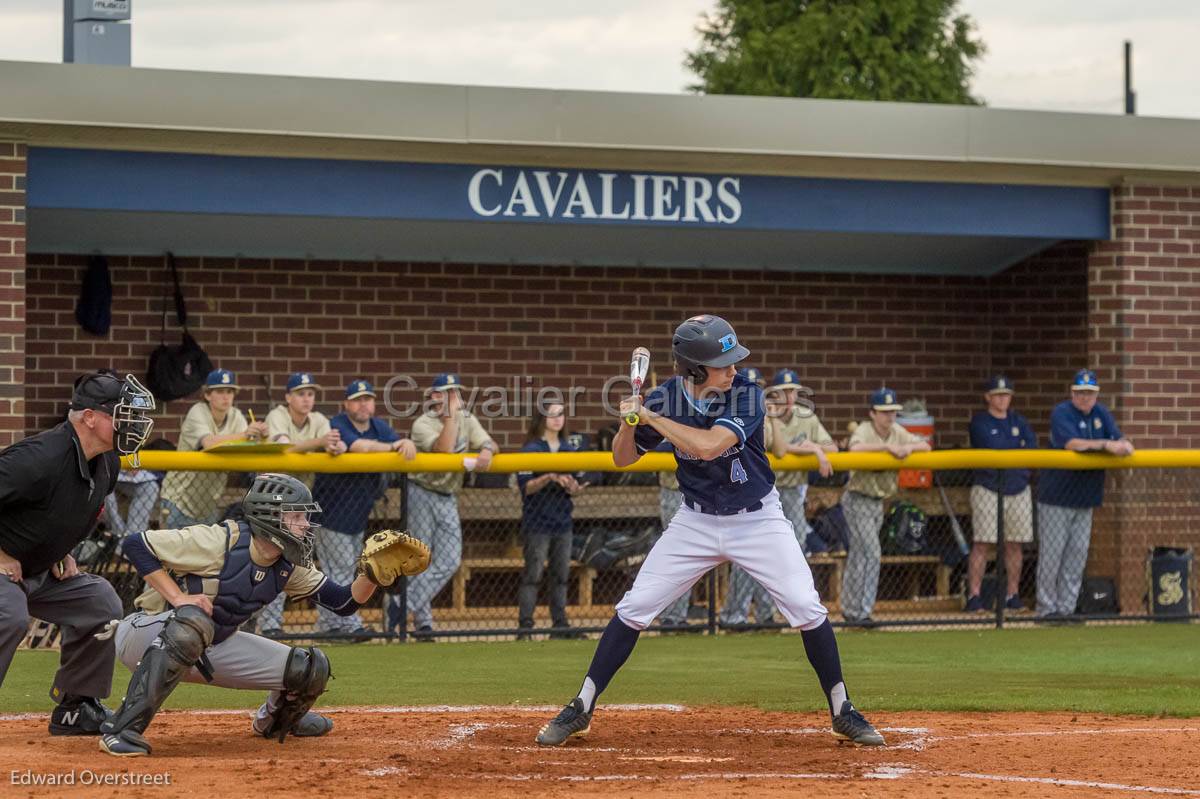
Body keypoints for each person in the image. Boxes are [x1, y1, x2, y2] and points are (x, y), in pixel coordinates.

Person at [535, 314, 884, 748]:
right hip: (695, 522)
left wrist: (652, 417)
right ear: (695, 369)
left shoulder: (747, 395)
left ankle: (842, 709)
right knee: (636, 606)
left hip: (758, 519)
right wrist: (631, 421)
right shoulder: (662, 398)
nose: (734, 369)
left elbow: (708, 445)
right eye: (724, 363)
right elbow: (622, 459)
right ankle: (582, 706)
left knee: (805, 606)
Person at [98, 473, 421, 757]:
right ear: (270, 516)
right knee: (191, 625)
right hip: (145, 634)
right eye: (297, 516)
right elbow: (135, 544)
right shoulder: (219, 540)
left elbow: (343, 603)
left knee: (310, 668)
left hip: (213, 644)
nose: (305, 525)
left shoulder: (286, 564)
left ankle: (277, 722)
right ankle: (122, 730)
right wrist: (179, 597)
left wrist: (371, 575)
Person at [0, 371, 154, 736]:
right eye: (122, 412)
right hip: (6, 568)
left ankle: (77, 706)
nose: (133, 422)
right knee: (9, 613)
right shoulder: (39, 458)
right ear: (89, 417)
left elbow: (72, 509)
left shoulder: (108, 462)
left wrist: (63, 549)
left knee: (100, 603)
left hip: (37, 570)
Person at [311, 380, 416, 639]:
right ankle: (350, 625)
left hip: (357, 515)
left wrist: (404, 443)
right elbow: (360, 446)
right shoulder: (337, 424)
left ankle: (329, 626)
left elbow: (399, 444)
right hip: (330, 512)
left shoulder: (379, 426)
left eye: (367, 398)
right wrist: (393, 446)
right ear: (346, 404)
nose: (363, 404)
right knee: (341, 569)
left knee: (343, 570)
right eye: (357, 399)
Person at [401, 373, 500, 641]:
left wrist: (487, 450)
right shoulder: (423, 423)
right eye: (447, 392)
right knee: (419, 560)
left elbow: (489, 441)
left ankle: (401, 607)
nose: (454, 397)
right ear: (434, 396)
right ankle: (423, 623)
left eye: (456, 392)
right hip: (421, 492)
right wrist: (450, 418)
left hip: (448, 495)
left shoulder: (467, 418)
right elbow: (444, 450)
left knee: (450, 559)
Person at [1035, 369, 1134, 619]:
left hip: (1086, 497)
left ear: (1096, 394)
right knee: (1052, 556)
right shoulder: (1062, 412)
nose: (1085, 398)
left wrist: (1120, 443)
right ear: (1072, 393)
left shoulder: (1101, 413)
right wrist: (1105, 446)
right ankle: (1047, 609)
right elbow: (1072, 444)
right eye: (1080, 393)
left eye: (1089, 393)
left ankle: (1067, 609)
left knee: (1077, 555)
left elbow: (1118, 438)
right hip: (1057, 497)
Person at [258, 371, 346, 638]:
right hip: (272, 502)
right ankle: (270, 624)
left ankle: (329, 624)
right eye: (300, 393)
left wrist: (336, 447)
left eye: (310, 394)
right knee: (272, 561)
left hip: (299, 508)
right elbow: (286, 449)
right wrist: (320, 443)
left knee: (296, 564)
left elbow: (335, 443)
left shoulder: (318, 419)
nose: (307, 399)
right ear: (288, 397)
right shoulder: (278, 415)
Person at [840, 387, 932, 626]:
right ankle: (861, 612)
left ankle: (852, 609)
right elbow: (855, 448)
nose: (890, 417)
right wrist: (886, 448)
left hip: (878, 502)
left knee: (860, 554)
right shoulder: (864, 429)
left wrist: (908, 447)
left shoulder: (897, 431)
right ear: (872, 413)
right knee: (871, 552)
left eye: (893, 412)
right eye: (884, 412)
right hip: (857, 498)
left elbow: (926, 446)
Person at [159, 368, 268, 528]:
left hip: (208, 504)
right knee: (173, 552)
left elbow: (248, 448)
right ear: (207, 394)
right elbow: (209, 443)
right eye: (220, 391)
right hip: (178, 499)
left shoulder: (236, 415)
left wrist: (261, 436)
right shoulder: (198, 412)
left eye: (230, 391)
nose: (226, 396)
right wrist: (245, 434)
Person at [965, 376, 1037, 613]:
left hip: (1018, 487)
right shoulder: (980, 422)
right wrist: (1014, 447)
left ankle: (1012, 595)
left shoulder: (1019, 421)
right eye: (997, 395)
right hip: (988, 488)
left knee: (1014, 544)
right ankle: (974, 596)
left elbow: (1032, 446)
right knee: (983, 543)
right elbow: (993, 446)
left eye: (1006, 394)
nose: (1002, 399)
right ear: (988, 397)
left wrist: (1012, 449)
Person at [516, 402, 585, 639]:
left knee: (561, 576)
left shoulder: (568, 450)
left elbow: (576, 487)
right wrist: (549, 476)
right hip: (537, 524)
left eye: (561, 414)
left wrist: (572, 485)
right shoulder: (531, 449)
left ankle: (560, 625)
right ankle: (525, 627)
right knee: (533, 575)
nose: (557, 419)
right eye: (551, 414)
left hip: (562, 523)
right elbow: (526, 488)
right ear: (541, 418)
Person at [719, 367, 779, 628]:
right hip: (722, 498)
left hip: (763, 495)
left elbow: (781, 449)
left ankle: (765, 614)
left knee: (774, 567)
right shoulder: (725, 411)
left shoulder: (758, 409)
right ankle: (734, 615)